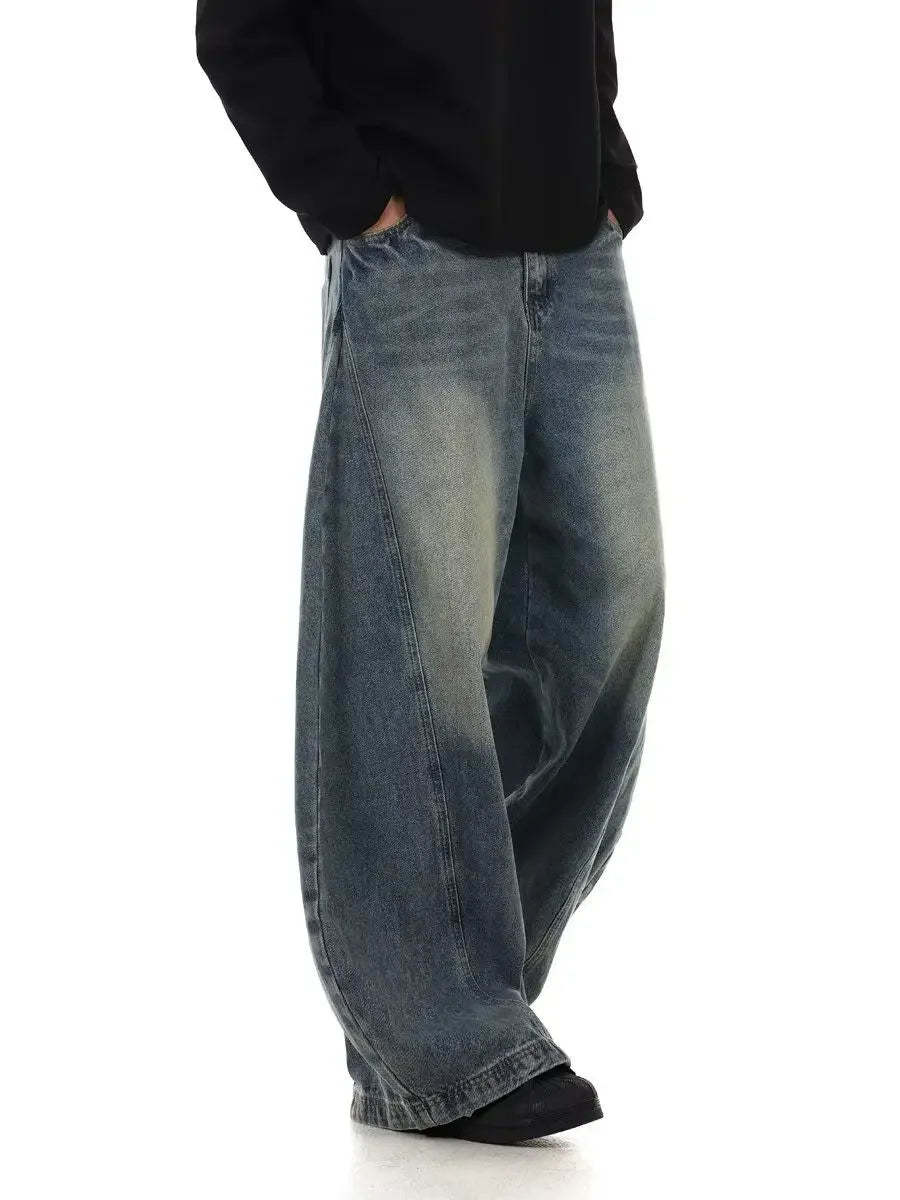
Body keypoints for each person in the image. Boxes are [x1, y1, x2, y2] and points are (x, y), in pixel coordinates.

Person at [196, 0, 664, 1144]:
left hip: (574, 240)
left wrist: (604, 168)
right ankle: (439, 1031)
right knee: (416, 648)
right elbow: (239, 27)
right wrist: (358, 202)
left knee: (611, 614)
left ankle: (452, 988)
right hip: (418, 249)